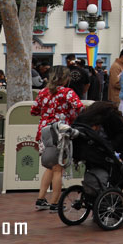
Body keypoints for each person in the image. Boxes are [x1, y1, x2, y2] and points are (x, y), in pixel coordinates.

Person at [31, 66, 83, 211]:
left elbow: (34, 111)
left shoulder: (42, 92)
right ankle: (55, 203)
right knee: (58, 168)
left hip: (44, 132)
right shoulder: (68, 93)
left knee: (50, 166)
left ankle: (41, 199)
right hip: (60, 133)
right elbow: (80, 108)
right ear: (65, 79)